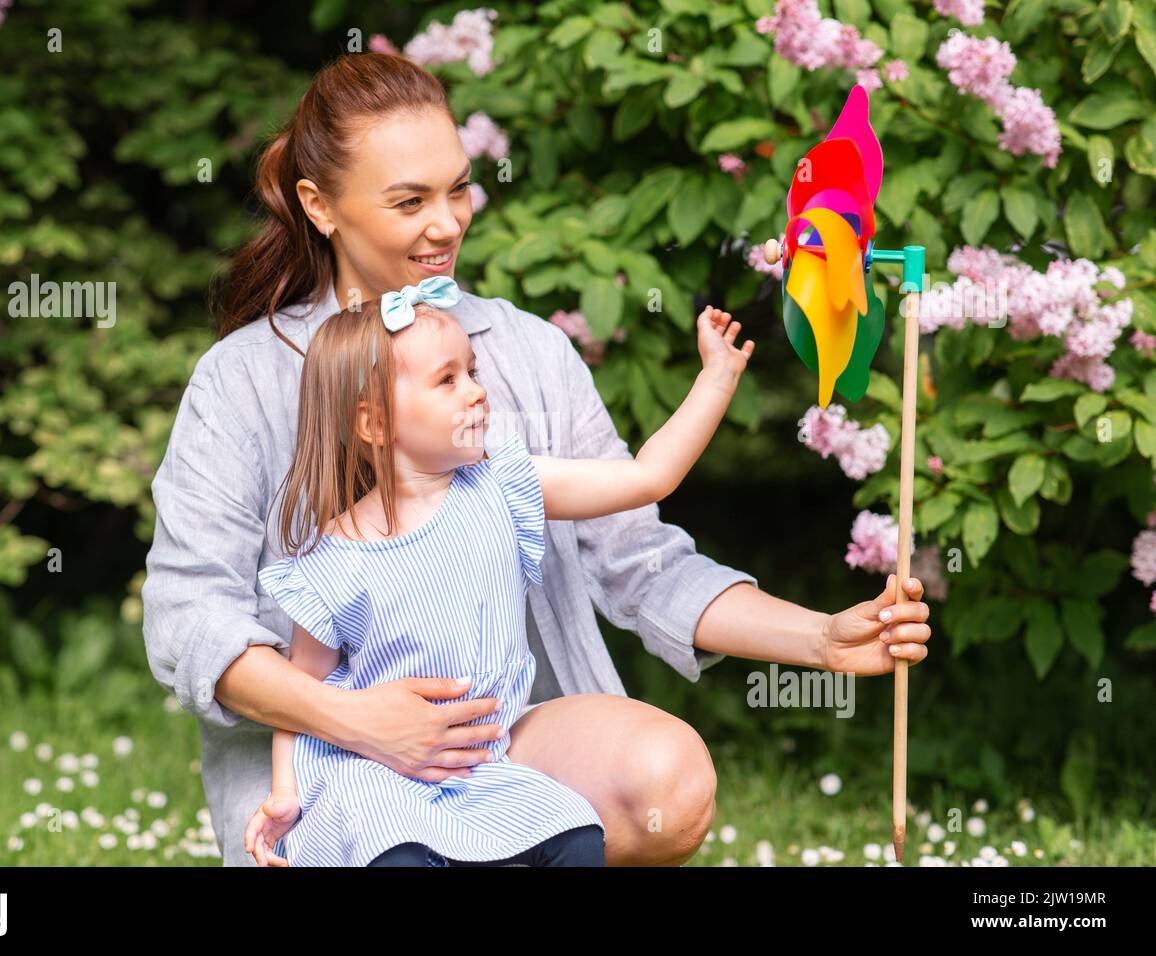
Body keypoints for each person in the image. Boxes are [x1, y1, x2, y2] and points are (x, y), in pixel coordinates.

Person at [141, 51, 931, 868]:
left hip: (496, 746)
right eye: (409, 200)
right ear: (320, 206)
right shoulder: (244, 379)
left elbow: (641, 560)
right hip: (326, 764)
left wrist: (825, 641)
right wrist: (357, 719)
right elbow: (188, 616)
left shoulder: (526, 352)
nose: (446, 222)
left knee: (667, 780)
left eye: (457, 188)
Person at [241, 277, 752, 866]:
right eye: (448, 380)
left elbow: (647, 478)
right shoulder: (332, 561)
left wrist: (716, 378)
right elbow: (299, 695)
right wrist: (285, 794)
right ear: (375, 424)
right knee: (397, 855)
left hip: (485, 762)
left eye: (474, 372)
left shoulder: (502, 485)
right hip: (373, 773)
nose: (477, 393)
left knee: (577, 839)